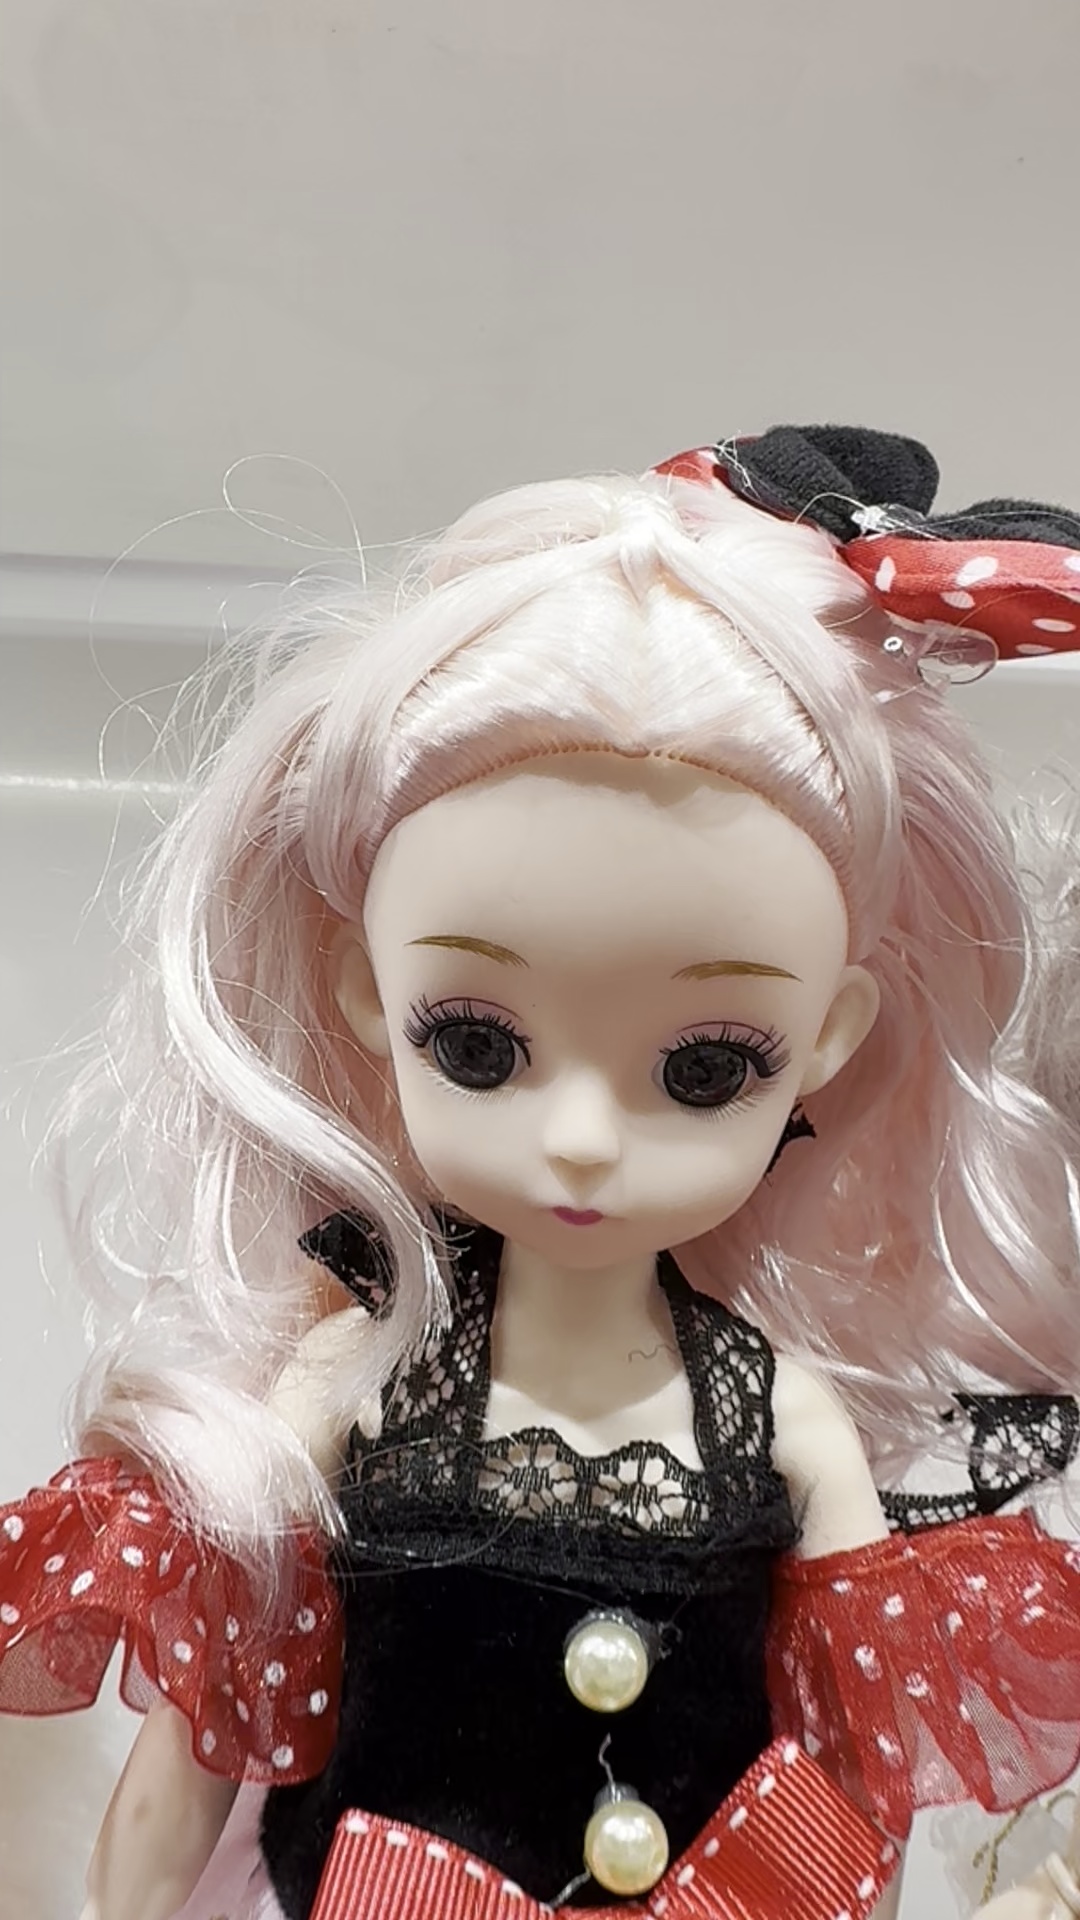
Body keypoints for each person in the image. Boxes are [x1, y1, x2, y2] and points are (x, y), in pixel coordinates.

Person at [2, 425, 1079, 1920]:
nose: (580, 1137)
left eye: (706, 1067)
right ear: (366, 992)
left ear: (826, 1041)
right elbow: (190, 1773)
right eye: (479, 1043)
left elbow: (852, 1805)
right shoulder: (352, 1389)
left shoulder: (790, 1424)